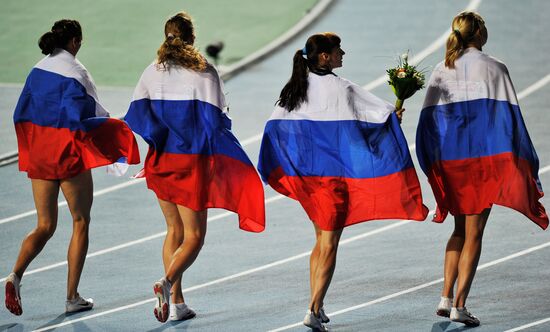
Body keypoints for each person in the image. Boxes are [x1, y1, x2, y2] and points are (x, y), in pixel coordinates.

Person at [258, 32, 428, 331]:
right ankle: (312, 309)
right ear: (324, 56)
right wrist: (393, 118)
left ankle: (317, 303)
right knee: (330, 245)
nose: (343, 54)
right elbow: (375, 120)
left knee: (321, 241)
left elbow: (274, 128)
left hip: (309, 180)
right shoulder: (343, 88)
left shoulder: (294, 89)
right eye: (338, 51)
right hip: (333, 182)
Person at [124, 12, 265, 323]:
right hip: (192, 162)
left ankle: (177, 304)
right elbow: (217, 121)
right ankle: (166, 283)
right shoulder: (203, 71)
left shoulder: (151, 71)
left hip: (161, 160)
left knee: (173, 230)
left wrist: (161, 138)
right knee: (195, 236)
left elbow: (136, 116)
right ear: (191, 38)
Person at [416, 11, 548, 327]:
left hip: (451, 160)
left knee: (460, 229)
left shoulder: (440, 69)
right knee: (475, 232)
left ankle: (446, 297)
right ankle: (460, 305)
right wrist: (523, 161)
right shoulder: (495, 68)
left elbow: (428, 122)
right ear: (477, 33)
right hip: (481, 160)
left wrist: (433, 161)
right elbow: (509, 121)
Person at [6, 19, 140, 316]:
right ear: (76, 42)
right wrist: (116, 133)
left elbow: (21, 112)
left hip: (40, 154)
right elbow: (94, 112)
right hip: (66, 154)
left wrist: (32, 145)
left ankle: (15, 275)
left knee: (45, 225)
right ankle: (71, 297)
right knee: (80, 220)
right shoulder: (77, 72)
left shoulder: (37, 70)